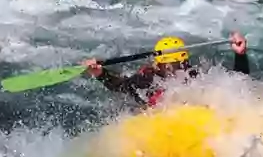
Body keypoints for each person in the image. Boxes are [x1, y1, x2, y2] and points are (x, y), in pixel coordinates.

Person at [82, 32, 249, 109]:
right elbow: (121, 86)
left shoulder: (194, 76)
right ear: (159, 65)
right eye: (169, 66)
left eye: (178, 65)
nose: (174, 71)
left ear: (185, 62)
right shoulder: (148, 79)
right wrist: (100, 73)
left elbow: (237, 84)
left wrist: (240, 55)